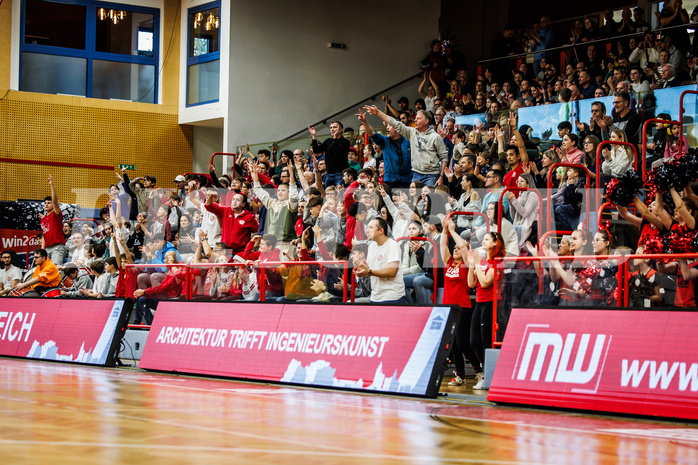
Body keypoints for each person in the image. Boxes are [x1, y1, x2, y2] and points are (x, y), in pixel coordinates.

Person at [440, 217, 481, 387]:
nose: (456, 249)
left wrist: (452, 231)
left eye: (458, 248)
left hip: (462, 307)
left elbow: (464, 247)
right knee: (453, 345)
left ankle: (479, 371)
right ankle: (460, 375)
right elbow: (443, 246)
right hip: (447, 308)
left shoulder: (465, 265)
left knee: (463, 343)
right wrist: (444, 230)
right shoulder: (449, 262)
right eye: (454, 248)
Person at [363, 105, 448, 187]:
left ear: (426, 121)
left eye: (418, 118)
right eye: (415, 118)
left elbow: (444, 157)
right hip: (415, 174)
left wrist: (441, 176)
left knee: (428, 199)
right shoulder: (412, 132)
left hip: (430, 175)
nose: (415, 120)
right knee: (415, 201)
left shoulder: (435, 137)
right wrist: (377, 112)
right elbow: (394, 123)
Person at [467, 232, 505, 390]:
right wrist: (471, 265)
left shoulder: (497, 261)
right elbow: (471, 284)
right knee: (473, 341)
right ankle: (485, 372)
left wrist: (476, 264)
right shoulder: (482, 261)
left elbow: (485, 282)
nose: (483, 241)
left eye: (487, 239)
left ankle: (487, 375)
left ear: (496, 243)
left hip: (491, 303)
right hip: (480, 302)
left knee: (485, 341)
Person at [354, 217, 406, 304]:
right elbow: (370, 270)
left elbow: (392, 272)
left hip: (391, 297)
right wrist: (361, 269)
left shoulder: (392, 245)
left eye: (371, 227)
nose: (367, 230)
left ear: (380, 231)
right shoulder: (371, 246)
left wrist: (369, 272)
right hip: (375, 296)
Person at [358, 109, 412, 188]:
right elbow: (372, 132)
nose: (387, 128)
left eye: (390, 126)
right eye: (387, 126)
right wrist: (364, 122)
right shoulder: (385, 141)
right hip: (390, 180)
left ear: (398, 128)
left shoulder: (409, 140)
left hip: (407, 180)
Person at [204, 191, 258, 255]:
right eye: (233, 199)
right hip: (225, 251)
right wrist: (211, 196)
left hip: (240, 252)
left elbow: (257, 232)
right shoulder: (225, 210)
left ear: (243, 204)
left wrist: (254, 245)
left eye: (238, 200)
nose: (234, 201)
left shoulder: (249, 217)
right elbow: (208, 206)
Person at [308, 121, 349, 187]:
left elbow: (338, 152)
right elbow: (316, 150)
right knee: (328, 195)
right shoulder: (328, 141)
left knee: (340, 195)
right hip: (329, 174)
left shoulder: (345, 142)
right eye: (331, 128)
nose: (332, 129)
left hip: (340, 174)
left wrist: (335, 138)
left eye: (335, 127)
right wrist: (314, 136)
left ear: (341, 129)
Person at [41, 175, 68, 265]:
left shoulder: (55, 214)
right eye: (45, 203)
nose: (46, 204)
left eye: (49, 203)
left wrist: (52, 186)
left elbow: (55, 201)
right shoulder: (43, 219)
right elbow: (44, 236)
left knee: (55, 270)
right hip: (47, 249)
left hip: (57, 247)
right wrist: (42, 250)